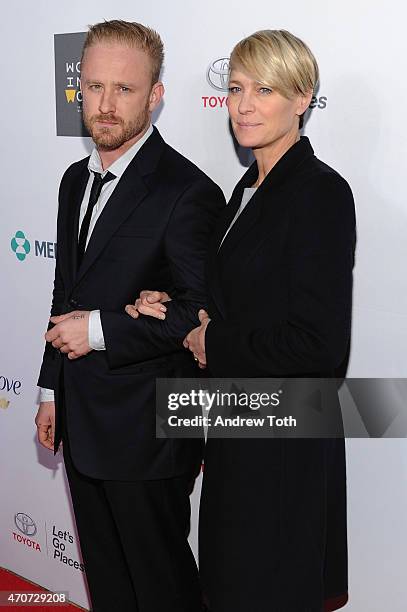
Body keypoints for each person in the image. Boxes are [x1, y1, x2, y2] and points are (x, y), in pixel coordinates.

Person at [128, 30, 356, 612]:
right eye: (235, 88)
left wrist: (213, 338)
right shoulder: (247, 189)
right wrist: (179, 309)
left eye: (265, 89)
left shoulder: (320, 193)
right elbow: (239, 303)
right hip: (238, 430)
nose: (244, 104)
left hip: (283, 447)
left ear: (303, 98)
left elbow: (319, 344)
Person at [34, 19, 225, 612]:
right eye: (94, 87)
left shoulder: (187, 192)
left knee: (160, 587)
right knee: (110, 588)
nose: (106, 106)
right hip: (82, 420)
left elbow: (197, 316)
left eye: (125, 89)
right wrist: (49, 387)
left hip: (147, 433)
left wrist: (97, 329)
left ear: (155, 94)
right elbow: (65, 290)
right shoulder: (74, 179)